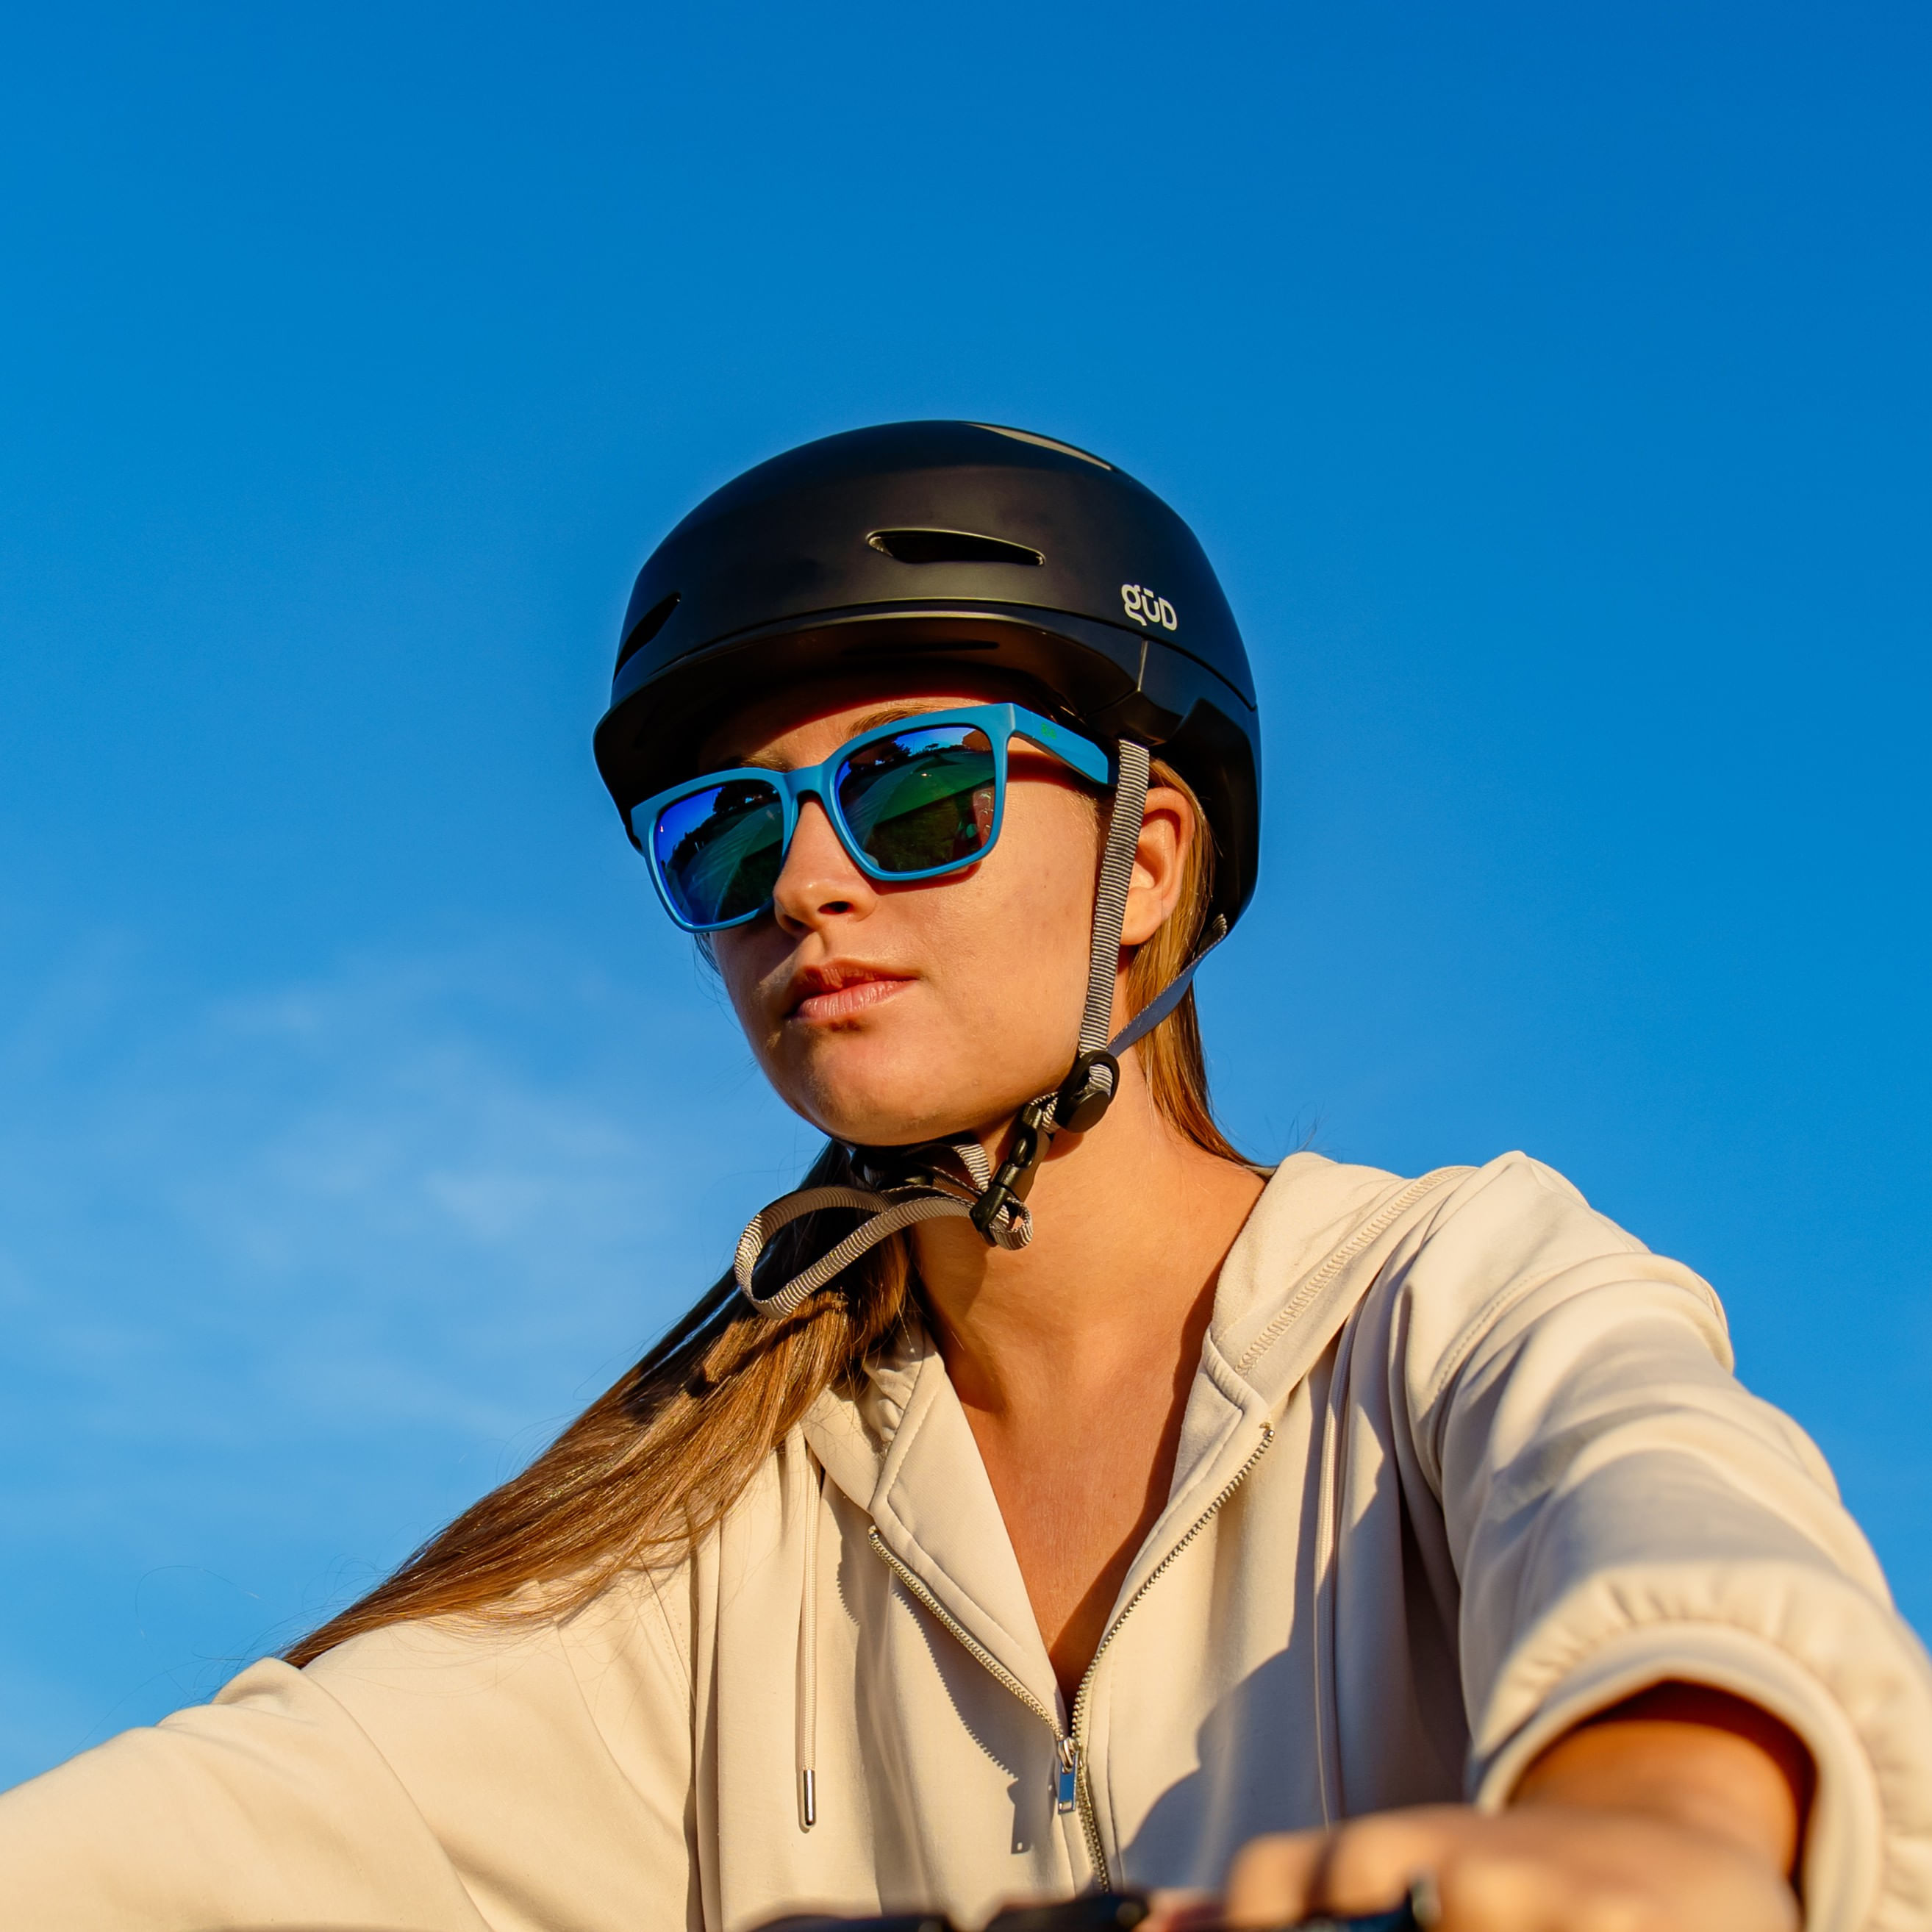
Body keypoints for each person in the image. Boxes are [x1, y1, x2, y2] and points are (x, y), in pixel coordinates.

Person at [2, 421, 1927, 1932]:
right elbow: (247, 1821)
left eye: (919, 790)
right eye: (724, 841)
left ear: (1147, 858)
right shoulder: (709, 1530)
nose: (809, 884)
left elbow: (1672, 1531)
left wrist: (1660, 1815)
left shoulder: (1439, 1289)